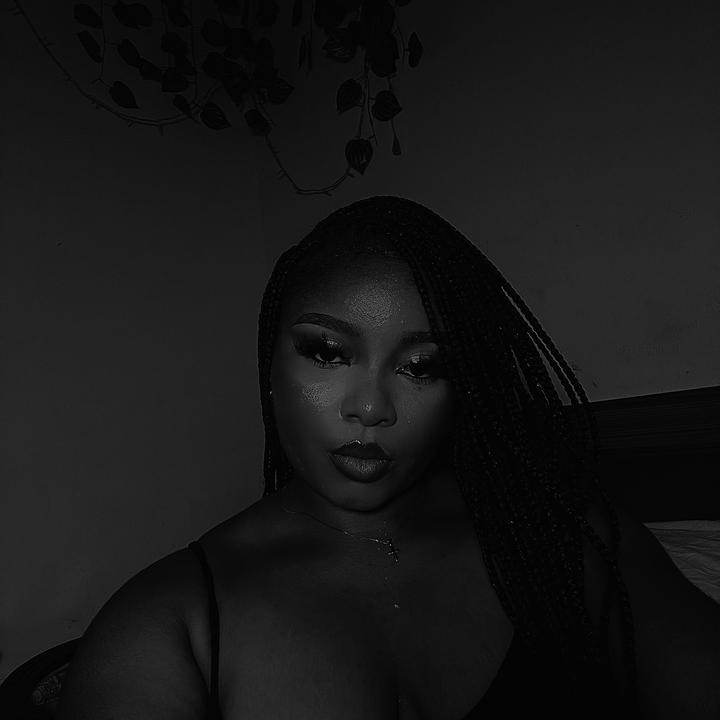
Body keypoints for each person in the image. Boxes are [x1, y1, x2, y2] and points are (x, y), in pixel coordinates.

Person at [57, 195, 720, 719]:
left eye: (422, 366)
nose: (372, 407)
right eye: (327, 353)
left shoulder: (570, 540)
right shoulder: (166, 625)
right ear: (270, 365)